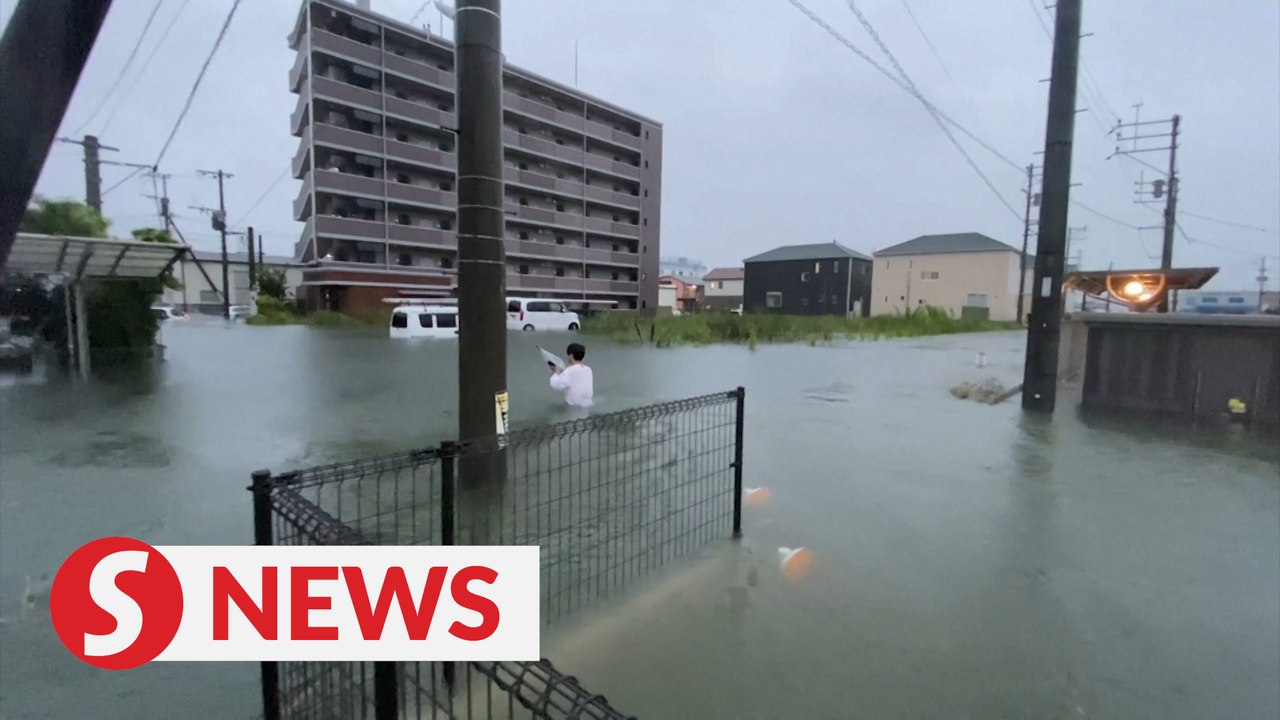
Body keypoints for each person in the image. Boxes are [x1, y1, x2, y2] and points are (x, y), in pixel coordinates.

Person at [549, 342, 593, 409]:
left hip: (574, 407)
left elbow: (556, 385)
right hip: (588, 404)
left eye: (568, 354)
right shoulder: (588, 369)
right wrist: (562, 372)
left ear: (571, 355)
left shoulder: (569, 371)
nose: (567, 356)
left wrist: (556, 372)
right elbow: (575, 378)